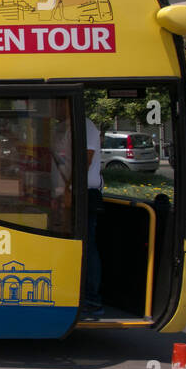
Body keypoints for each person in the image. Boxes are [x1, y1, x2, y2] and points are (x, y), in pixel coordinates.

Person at [82, 116, 104, 315]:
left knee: (86, 246)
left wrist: (69, 190)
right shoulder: (61, 126)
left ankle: (91, 298)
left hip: (83, 194)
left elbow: (86, 160)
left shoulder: (85, 124)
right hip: (68, 193)